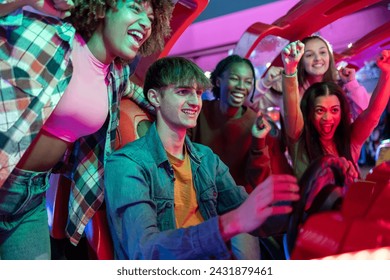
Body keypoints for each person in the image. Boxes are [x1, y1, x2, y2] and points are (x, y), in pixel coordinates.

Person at [0, 0, 173, 259]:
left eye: (151, 18)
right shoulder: (50, 34)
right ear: (103, 6)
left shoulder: (115, 76)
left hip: (32, 197)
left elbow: (143, 95)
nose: (147, 23)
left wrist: (176, 106)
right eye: (136, 9)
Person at [104, 56, 300, 260]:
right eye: (182, 92)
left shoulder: (206, 158)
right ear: (155, 98)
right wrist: (229, 223)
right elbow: (143, 251)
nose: (194, 102)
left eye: (198, 93)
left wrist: (306, 210)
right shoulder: (126, 164)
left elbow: (249, 213)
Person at [281, 40, 390, 180]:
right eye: (320, 111)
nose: (327, 117)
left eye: (334, 110)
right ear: (308, 114)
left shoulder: (350, 140)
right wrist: (290, 70)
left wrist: (386, 75)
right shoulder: (300, 140)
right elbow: (291, 113)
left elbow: (372, 115)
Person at [188, 55, 274, 194]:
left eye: (248, 82)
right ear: (217, 81)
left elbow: (260, 182)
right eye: (234, 78)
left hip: (237, 204)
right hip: (199, 198)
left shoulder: (256, 123)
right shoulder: (199, 112)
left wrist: (258, 142)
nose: (241, 86)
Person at [247, 35, 370, 121]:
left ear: (329, 57)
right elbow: (248, 104)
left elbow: (365, 118)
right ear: (300, 61)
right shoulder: (285, 89)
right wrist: (265, 83)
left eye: (322, 52)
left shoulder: (342, 85)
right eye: (309, 55)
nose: (317, 58)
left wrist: (352, 84)